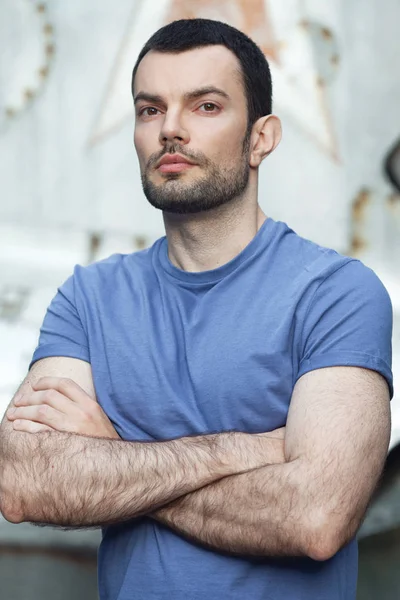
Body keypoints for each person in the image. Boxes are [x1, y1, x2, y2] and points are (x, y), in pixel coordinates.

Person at [0, 18, 393, 600]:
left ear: (261, 137)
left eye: (206, 107)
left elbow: (316, 519)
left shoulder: (336, 294)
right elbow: (25, 483)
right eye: (150, 109)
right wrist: (249, 450)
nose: (171, 130)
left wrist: (113, 455)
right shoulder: (89, 297)